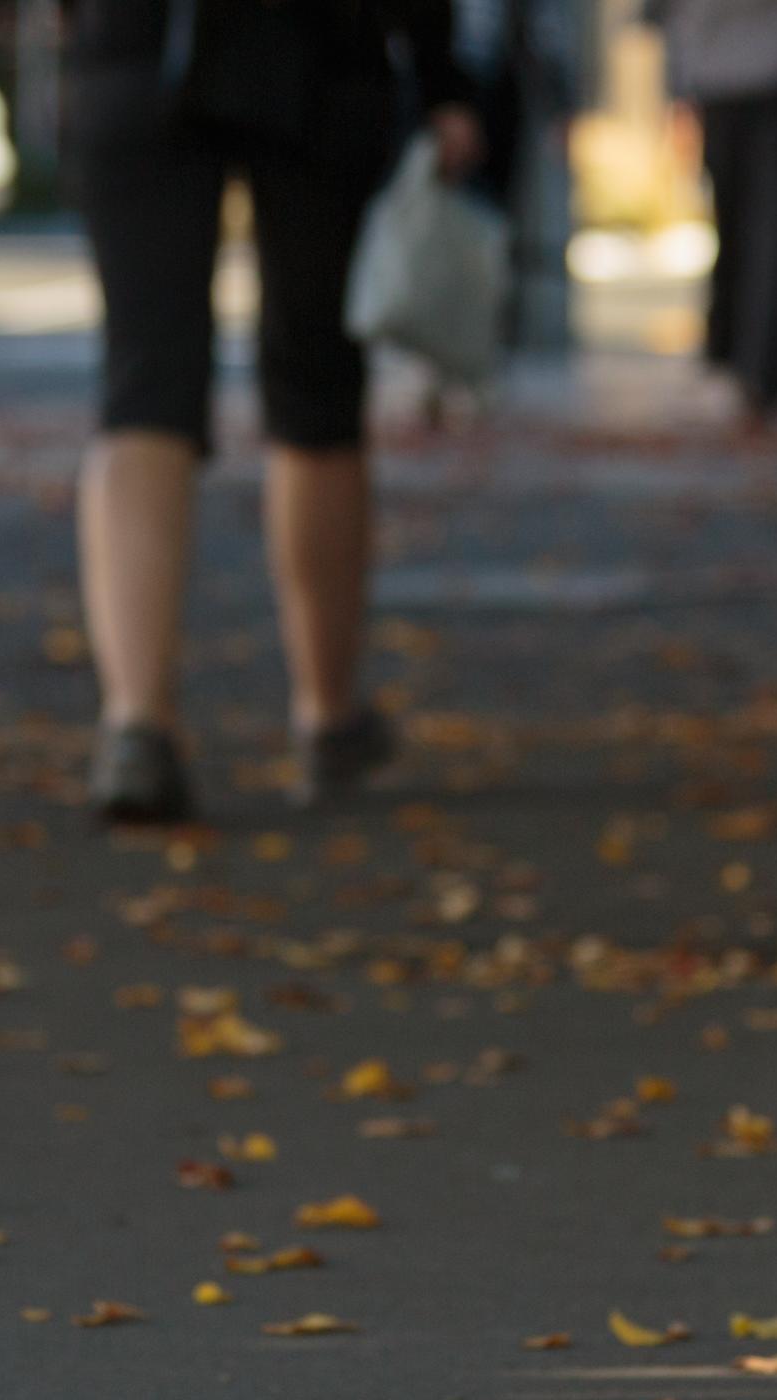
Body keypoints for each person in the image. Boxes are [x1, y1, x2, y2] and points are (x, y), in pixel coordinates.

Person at [57, 0, 482, 825]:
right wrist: (440, 76)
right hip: (315, 56)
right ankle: (327, 713)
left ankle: (137, 719)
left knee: (144, 387)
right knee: (316, 385)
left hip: (134, 52)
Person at [651, 0, 777, 425]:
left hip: (770, 68)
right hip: (733, 69)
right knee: (744, 224)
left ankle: (750, 373)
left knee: (761, 228)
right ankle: (741, 368)